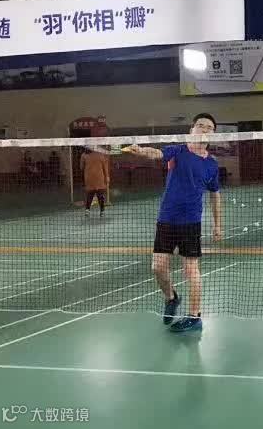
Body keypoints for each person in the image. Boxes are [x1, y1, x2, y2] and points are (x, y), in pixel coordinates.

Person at [125, 113, 222, 333]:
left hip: (191, 222)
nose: (204, 129)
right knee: (158, 267)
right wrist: (141, 151)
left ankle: (195, 317)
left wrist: (217, 224)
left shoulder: (212, 165)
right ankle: (171, 297)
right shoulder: (178, 151)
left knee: (191, 270)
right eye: (200, 125)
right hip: (167, 218)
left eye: (209, 127)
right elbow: (157, 153)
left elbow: (215, 194)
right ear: (191, 130)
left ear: (213, 134)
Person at [80, 148, 110, 218]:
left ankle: (87, 210)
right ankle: (102, 211)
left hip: (89, 178)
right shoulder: (101, 154)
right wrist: (107, 177)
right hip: (99, 178)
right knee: (100, 195)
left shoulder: (84, 155)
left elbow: (81, 167)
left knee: (89, 195)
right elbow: (105, 167)